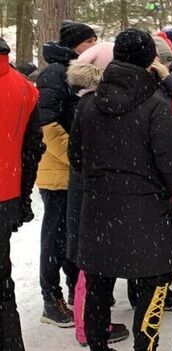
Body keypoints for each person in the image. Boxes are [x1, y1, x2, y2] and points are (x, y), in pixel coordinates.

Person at [69, 29, 172, 351]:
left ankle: (97, 345)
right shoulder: (156, 106)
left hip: (99, 211)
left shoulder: (88, 105)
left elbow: (77, 159)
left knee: (98, 285)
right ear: (150, 59)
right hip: (146, 213)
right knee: (153, 287)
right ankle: (144, 347)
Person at [65, 42, 130, 347]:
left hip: (86, 191)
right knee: (88, 269)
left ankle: (88, 322)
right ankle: (86, 326)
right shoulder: (94, 104)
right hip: (91, 192)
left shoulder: (82, 101)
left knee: (87, 265)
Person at [36, 20, 96, 327]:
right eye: (89, 42)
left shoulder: (72, 71)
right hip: (58, 171)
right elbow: (46, 125)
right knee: (55, 237)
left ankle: (76, 291)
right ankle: (51, 299)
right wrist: (75, 156)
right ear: (75, 44)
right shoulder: (55, 74)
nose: (93, 47)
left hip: (70, 170)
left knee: (71, 236)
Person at [0, 38, 44, 351]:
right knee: (2, 282)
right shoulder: (25, 88)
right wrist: (23, 198)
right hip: (6, 197)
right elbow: (32, 149)